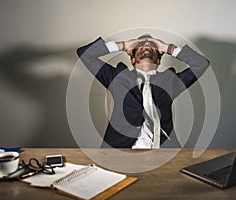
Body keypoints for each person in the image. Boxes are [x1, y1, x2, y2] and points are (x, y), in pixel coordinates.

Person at [77, 34, 210, 148]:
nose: (146, 46)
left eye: (152, 45)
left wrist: (166, 47)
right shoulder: (115, 77)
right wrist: (124, 45)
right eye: (139, 46)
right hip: (120, 151)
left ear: (158, 59)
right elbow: (85, 54)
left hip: (163, 152)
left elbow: (201, 63)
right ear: (133, 59)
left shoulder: (170, 81)